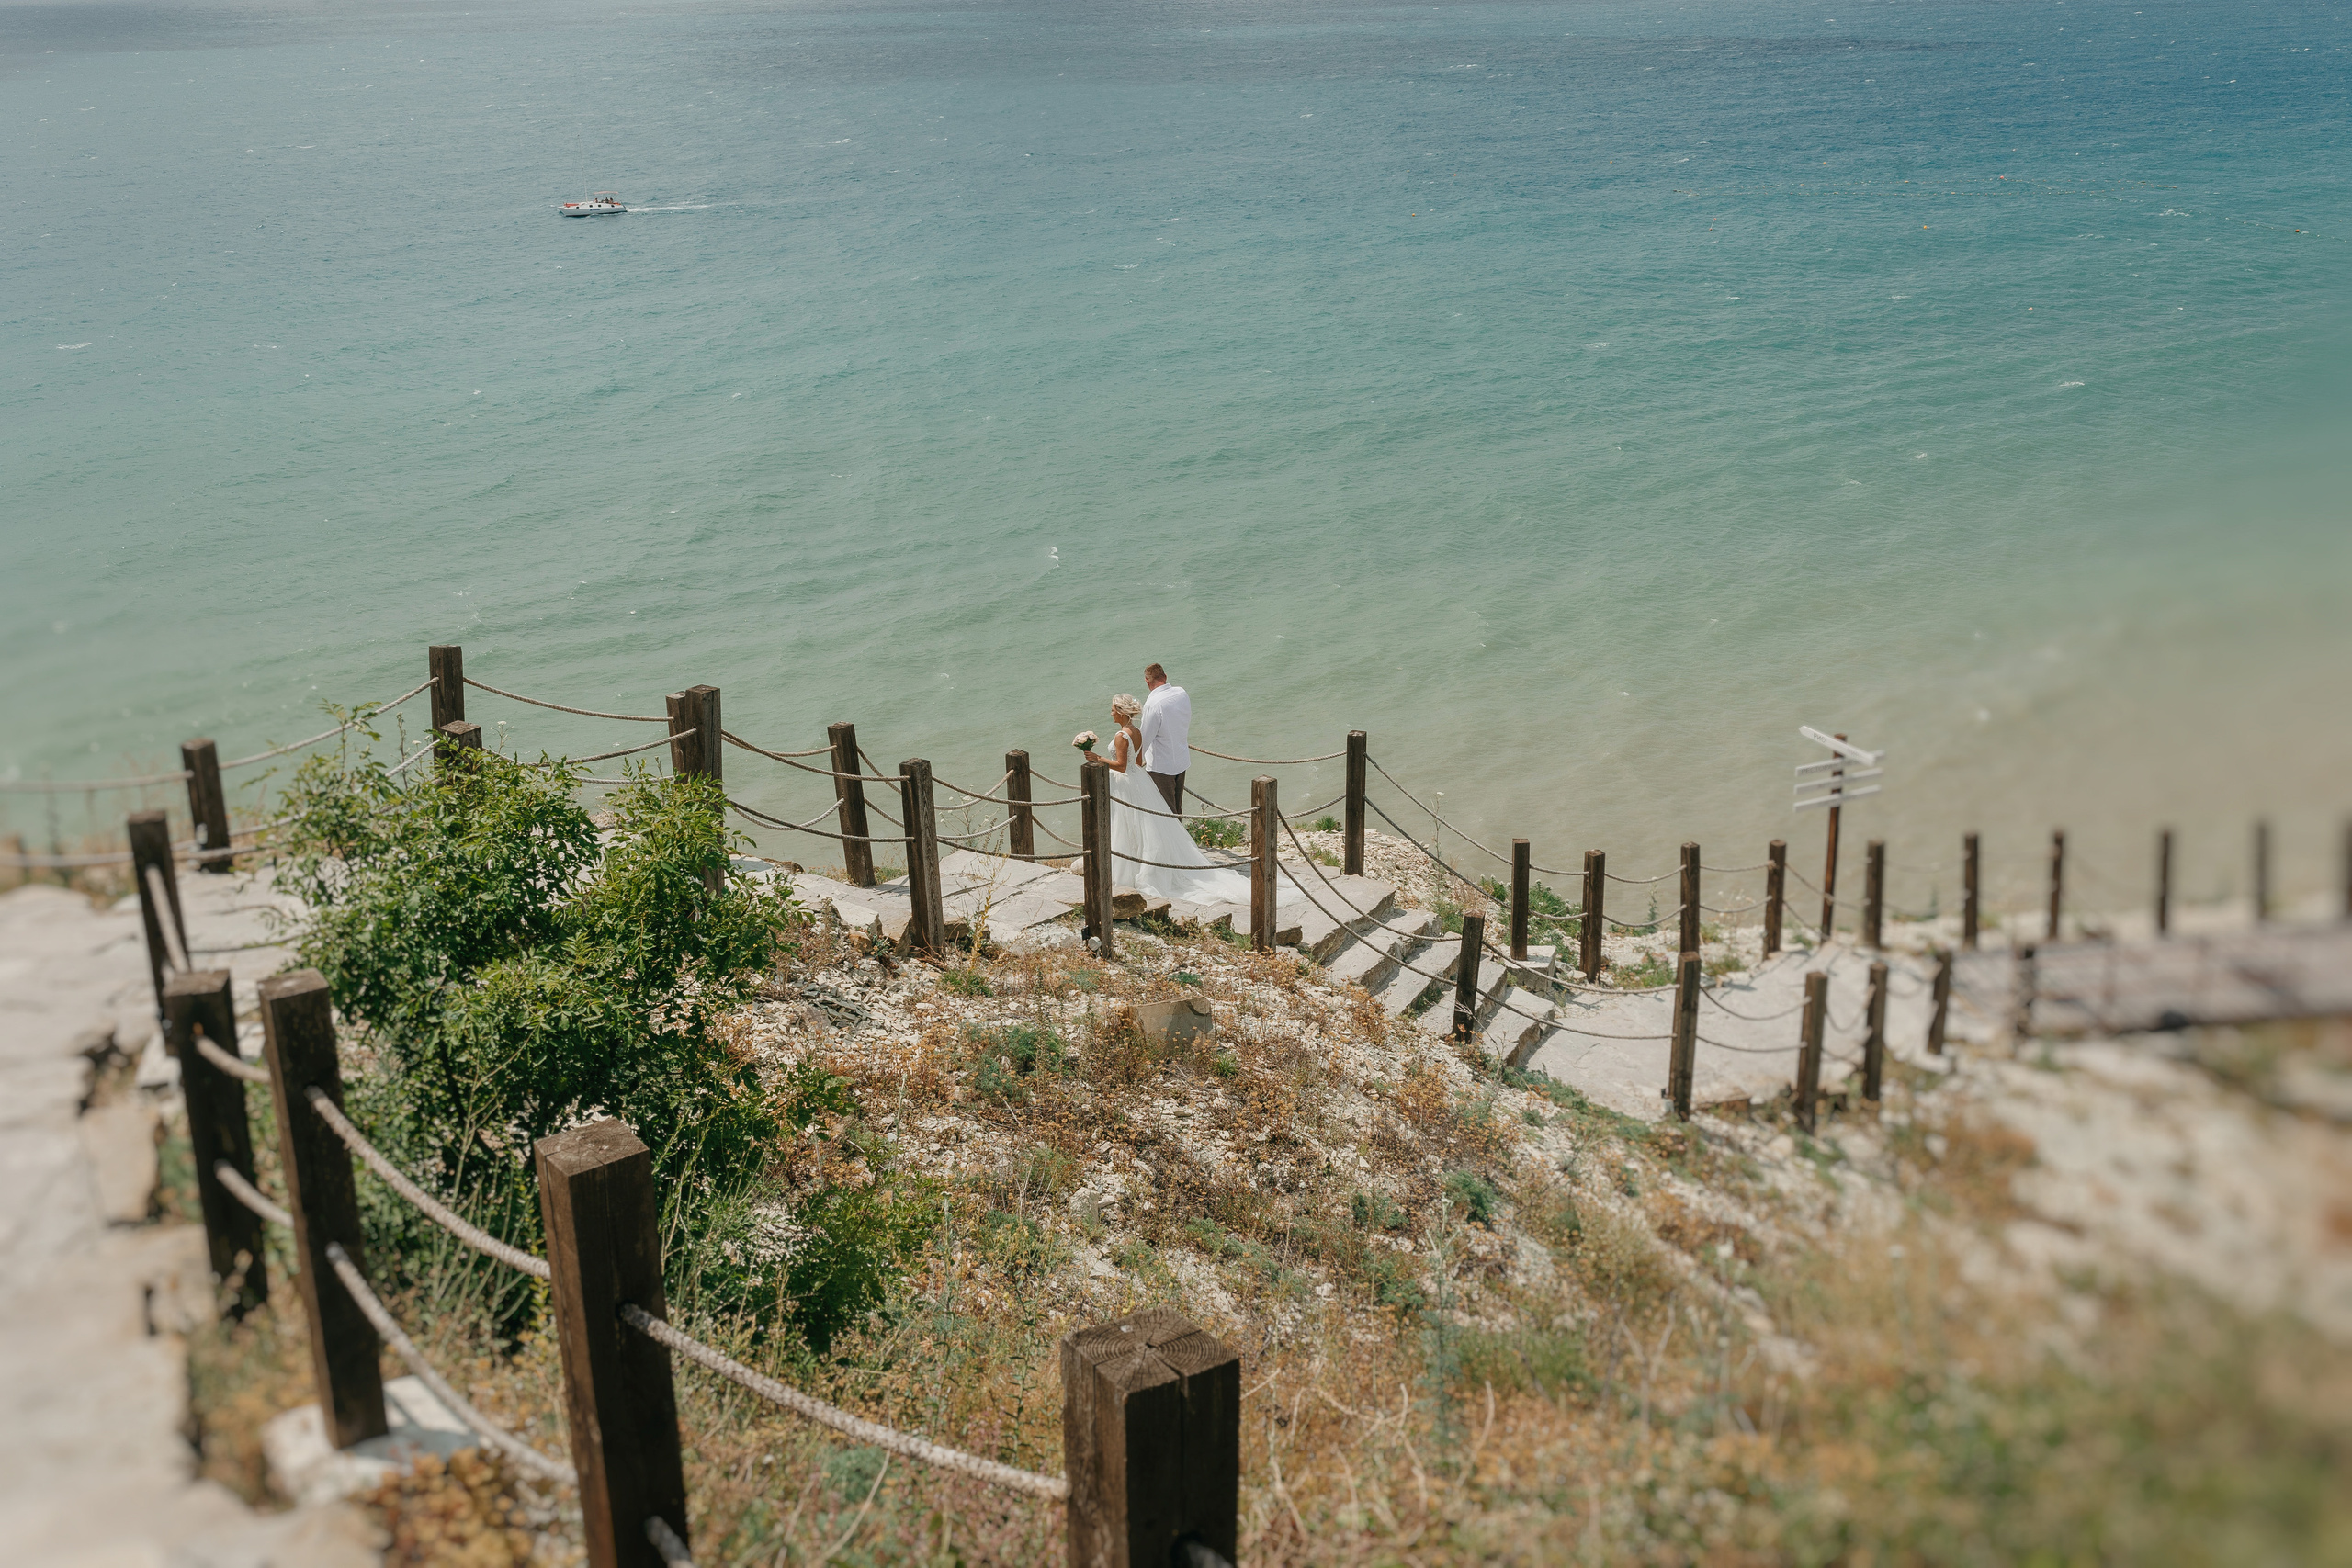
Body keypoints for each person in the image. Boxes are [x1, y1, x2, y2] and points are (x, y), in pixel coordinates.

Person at [1075, 694, 1251, 905]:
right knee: (1141, 826)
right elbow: (1138, 761)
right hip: (1139, 780)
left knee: (1127, 825)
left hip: (1126, 783)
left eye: (1113, 709)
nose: (1111, 713)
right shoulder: (1136, 731)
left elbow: (1121, 766)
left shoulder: (1122, 735)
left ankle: (1128, 871)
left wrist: (1097, 758)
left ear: (1121, 712)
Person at [1136, 663, 1191, 817]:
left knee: (1165, 813)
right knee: (1177, 810)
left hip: (1161, 767)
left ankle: (1175, 841)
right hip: (1181, 759)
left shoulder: (1152, 704)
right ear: (1165, 677)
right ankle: (1179, 840)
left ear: (1147, 681)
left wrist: (1135, 764)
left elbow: (1144, 739)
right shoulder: (1181, 693)